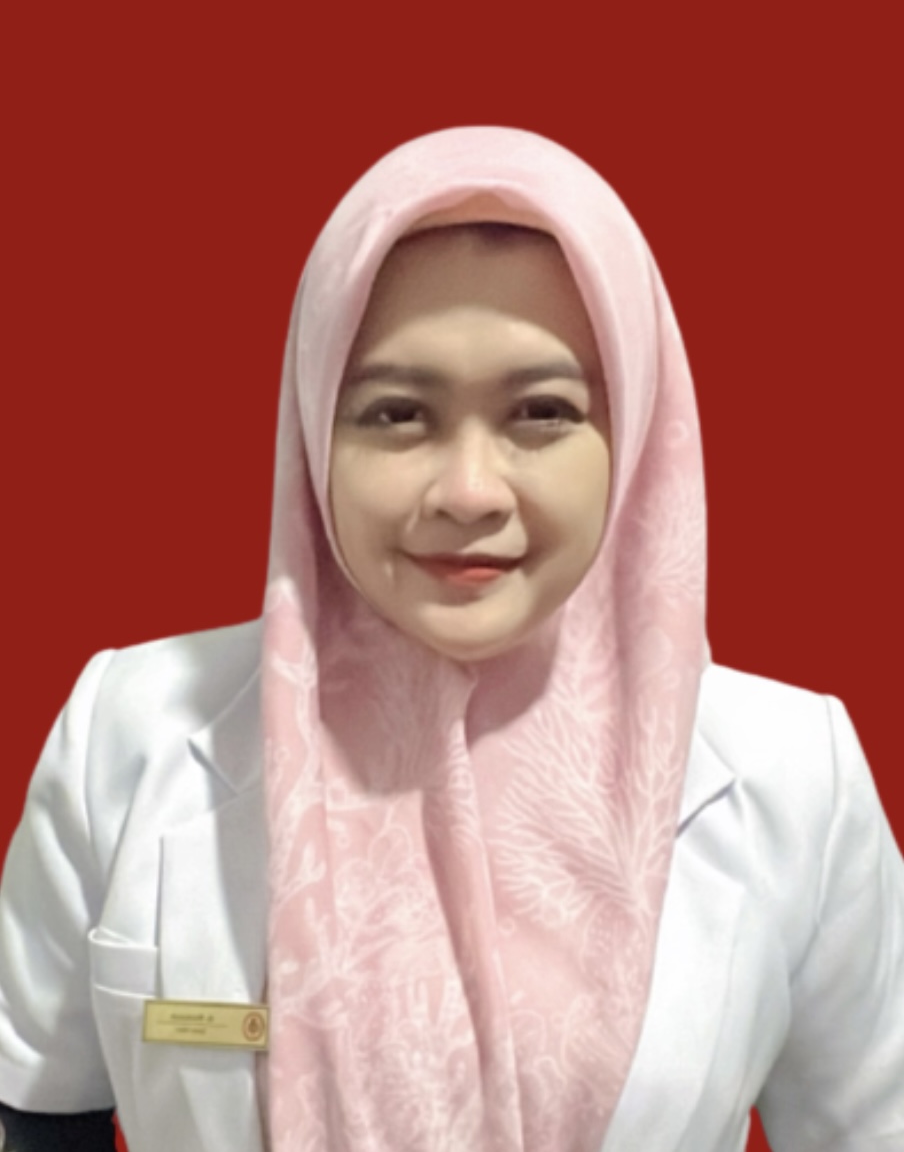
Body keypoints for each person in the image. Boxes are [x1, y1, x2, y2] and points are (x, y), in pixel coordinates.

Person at [0, 127, 901, 1152]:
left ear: (638, 431)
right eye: (396, 414)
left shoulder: (796, 775)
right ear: (314, 430)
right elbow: (32, 1107)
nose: (469, 492)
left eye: (542, 411)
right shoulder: (127, 733)